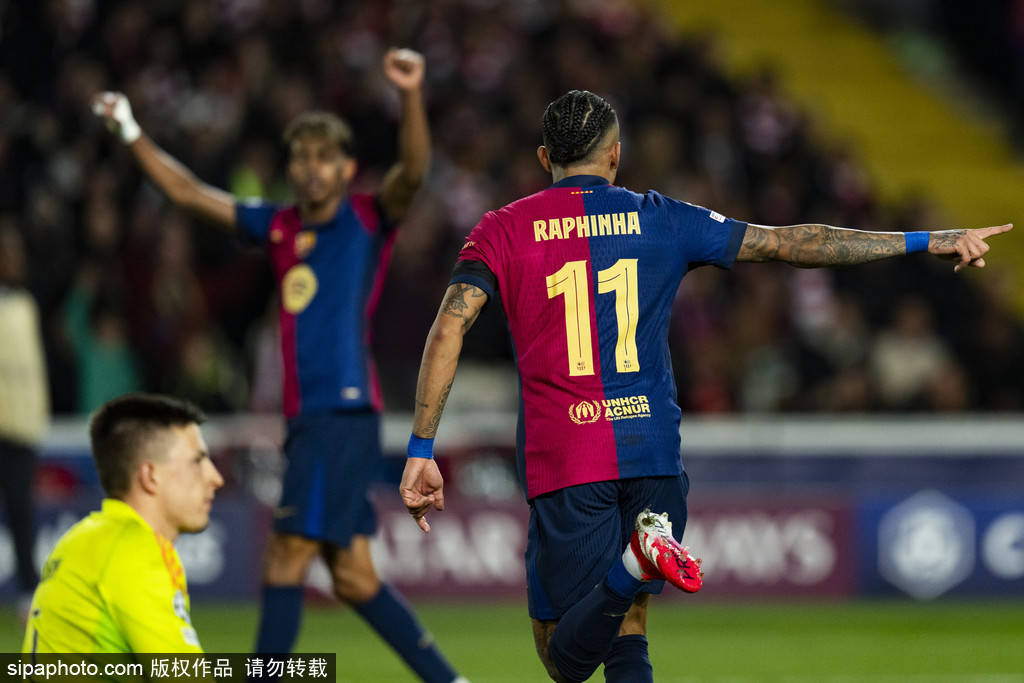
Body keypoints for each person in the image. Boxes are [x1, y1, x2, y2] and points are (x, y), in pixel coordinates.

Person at [399, 89, 1012, 683]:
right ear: (615, 154)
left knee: (565, 660)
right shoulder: (663, 217)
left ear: (543, 158)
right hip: (653, 452)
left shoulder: (502, 229)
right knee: (629, 624)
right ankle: (641, 557)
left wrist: (423, 447)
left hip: (569, 455)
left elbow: (449, 326)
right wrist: (922, 240)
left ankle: (635, 561)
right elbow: (791, 243)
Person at [92, 49, 467, 683]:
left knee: (285, 556)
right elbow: (186, 192)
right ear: (290, 168)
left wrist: (409, 95)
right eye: (301, 157)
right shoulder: (278, 226)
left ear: (346, 168)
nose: (311, 168)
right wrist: (129, 127)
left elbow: (413, 170)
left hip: (339, 412)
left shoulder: (366, 219)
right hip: (312, 417)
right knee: (353, 576)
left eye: (324, 157)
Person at [22, 393, 222, 654]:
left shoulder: (82, 538)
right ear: (150, 475)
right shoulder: (135, 553)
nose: (215, 477)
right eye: (197, 461)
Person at [0, 222, 49, 622]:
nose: (15, 260)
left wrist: (36, 414)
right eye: (8, 252)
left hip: (19, 427)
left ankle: (28, 590)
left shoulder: (26, 305)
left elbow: (32, 369)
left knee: (21, 512)